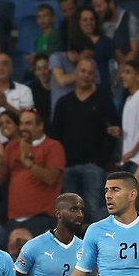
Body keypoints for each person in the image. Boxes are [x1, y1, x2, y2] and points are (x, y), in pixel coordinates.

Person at [51, 59, 121, 222]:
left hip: (94, 167)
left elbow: (114, 131)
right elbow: (55, 135)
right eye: (83, 71)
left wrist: (101, 162)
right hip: (68, 168)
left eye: (90, 72)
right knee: (70, 214)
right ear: (75, 73)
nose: (86, 75)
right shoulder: (63, 102)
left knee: (93, 213)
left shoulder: (103, 100)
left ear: (94, 76)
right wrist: (60, 163)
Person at [0, 108, 66, 237]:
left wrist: (29, 163)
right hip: (14, 219)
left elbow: (51, 178)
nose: (23, 128)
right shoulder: (12, 146)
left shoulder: (53, 146)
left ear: (40, 125)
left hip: (41, 218)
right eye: (21, 124)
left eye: (28, 123)